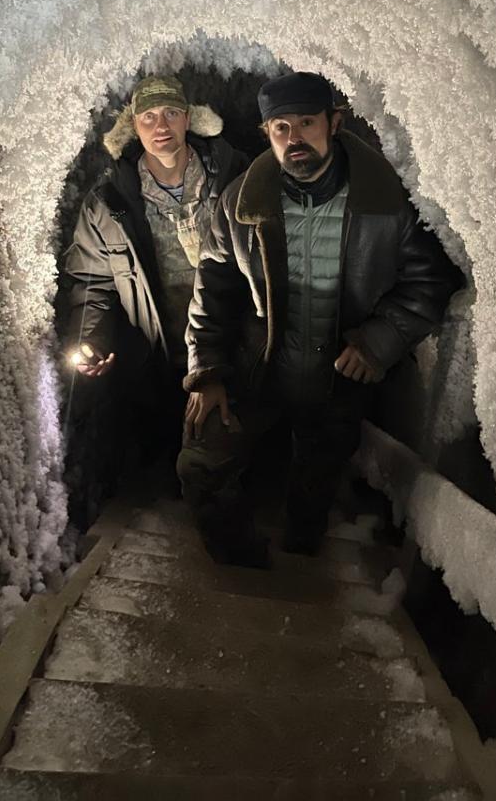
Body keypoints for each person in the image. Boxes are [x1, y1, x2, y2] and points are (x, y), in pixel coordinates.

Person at [177, 71, 464, 566]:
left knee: (316, 482)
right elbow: (214, 286)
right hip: (260, 365)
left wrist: (380, 341)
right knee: (202, 461)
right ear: (266, 132)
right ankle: (242, 566)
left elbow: (430, 279)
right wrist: (208, 370)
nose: (294, 139)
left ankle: (302, 560)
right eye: (281, 128)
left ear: (333, 123)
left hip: (339, 375)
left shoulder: (387, 202)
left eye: (306, 123)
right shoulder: (239, 203)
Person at [62, 74, 247, 489]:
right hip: (156, 354)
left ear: (189, 120)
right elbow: (92, 282)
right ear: (133, 126)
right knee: (166, 459)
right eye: (148, 117)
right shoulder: (109, 203)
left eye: (171, 113)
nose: (160, 126)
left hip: (231, 346)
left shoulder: (234, 179)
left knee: (230, 454)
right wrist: (93, 340)